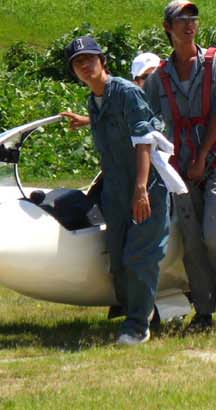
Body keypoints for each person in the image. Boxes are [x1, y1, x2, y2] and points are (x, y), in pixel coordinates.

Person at [59, 35, 171, 346]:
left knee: (140, 256)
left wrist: (141, 189)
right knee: (118, 259)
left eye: (89, 59)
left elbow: (145, 139)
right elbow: (113, 123)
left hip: (145, 185)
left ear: (103, 61)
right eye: (78, 63)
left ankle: (137, 326)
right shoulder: (95, 100)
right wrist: (87, 120)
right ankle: (141, 312)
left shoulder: (126, 92)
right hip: (115, 188)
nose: (85, 65)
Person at [142, 0, 216, 330]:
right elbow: (143, 118)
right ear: (167, 27)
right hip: (179, 168)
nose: (189, 24)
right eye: (182, 18)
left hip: (215, 161)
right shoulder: (159, 77)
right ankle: (204, 310)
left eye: (193, 18)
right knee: (191, 243)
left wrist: (201, 157)